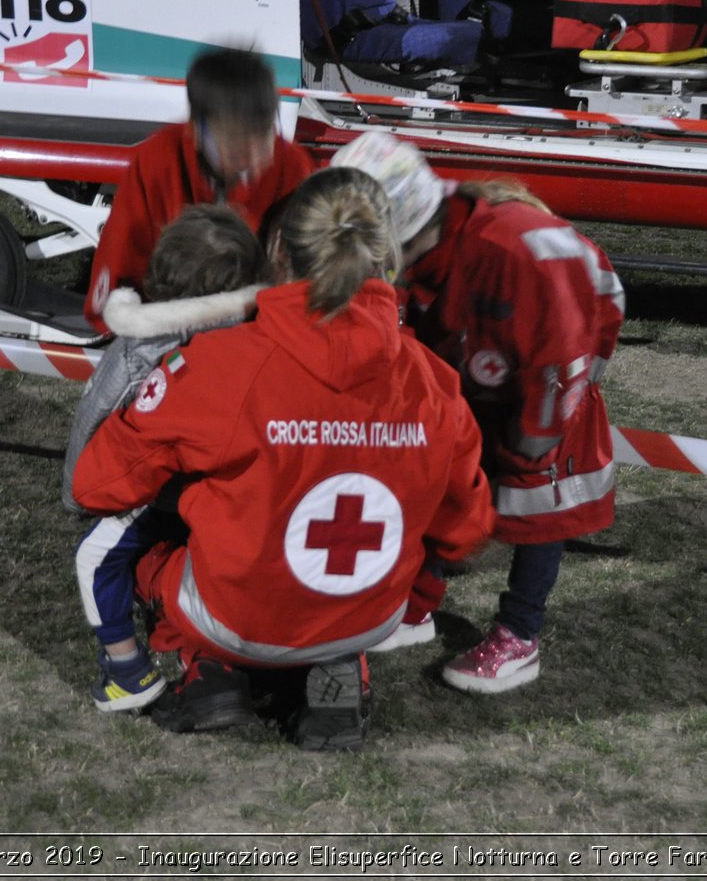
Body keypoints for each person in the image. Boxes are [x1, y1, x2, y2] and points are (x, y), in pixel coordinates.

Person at [72, 166, 495, 749]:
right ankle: (344, 665)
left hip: (236, 620)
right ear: (387, 258)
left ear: (277, 249)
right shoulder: (435, 382)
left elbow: (98, 487)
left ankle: (210, 670)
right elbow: (465, 529)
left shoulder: (218, 365)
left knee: (154, 551)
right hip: (369, 616)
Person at [333, 131, 624, 694]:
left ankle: (520, 634)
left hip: (551, 374)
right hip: (486, 364)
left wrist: (536, 433)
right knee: (439, 475)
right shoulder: (426, 252)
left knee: (538, 496)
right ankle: (415, 609)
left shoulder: (519, 251)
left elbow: (561, 354)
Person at [69, 205, 267, 713]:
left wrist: (78, 490)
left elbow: (99, 415)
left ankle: (127, 671)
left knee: (97, 557)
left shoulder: (144, 344)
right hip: (246, 488)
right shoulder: (264, 330)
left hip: (169, 487)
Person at [84, 48, 312, 331]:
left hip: (261, 322)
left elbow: (306, 260)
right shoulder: (159, 161)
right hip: (171, 319)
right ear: (198, 129)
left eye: (264, 135)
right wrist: (118, 324)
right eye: (237, 142)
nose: (254, 157)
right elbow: (123, 250)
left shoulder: (291, 165)